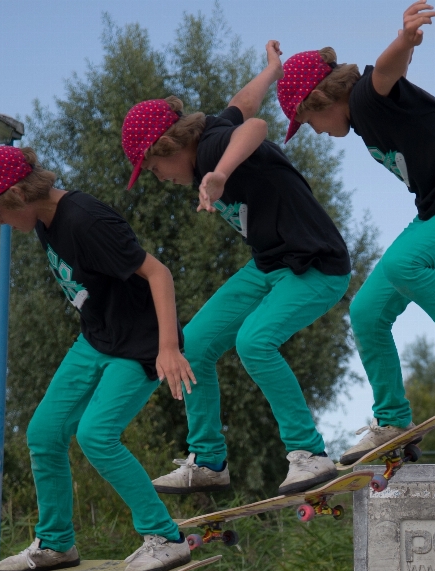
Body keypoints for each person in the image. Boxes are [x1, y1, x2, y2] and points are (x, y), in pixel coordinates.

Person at [277, 2, 435, 465]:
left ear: (321, 101)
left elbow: (384, 74)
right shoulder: (367, 122)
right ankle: (393, 420)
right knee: (367, 310)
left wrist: (405, 41)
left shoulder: (366, 100)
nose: (319, 133)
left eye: (310, 122)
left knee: (408, 263)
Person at [122, 41, 352, 495]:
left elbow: (258, 127)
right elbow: (243, 105)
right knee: (194, 344)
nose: (159, 177)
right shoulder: (211, 130)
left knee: (255, 341)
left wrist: (222, 174)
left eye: (153, 166)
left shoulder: (210, 150)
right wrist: (272, 71)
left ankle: (310, 453)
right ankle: (208, 459)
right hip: (269, 267)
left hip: (317, 267)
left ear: (171, 145)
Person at [0, 145, 195, 571]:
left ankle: (165, 538)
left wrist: (169, 347)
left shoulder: (85, 220)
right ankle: (56, 543)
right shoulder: (43, 218)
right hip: (96, 339)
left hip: (140, 344)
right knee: (45, 432)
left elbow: (158, 273)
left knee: (97, 435)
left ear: (16, 196)